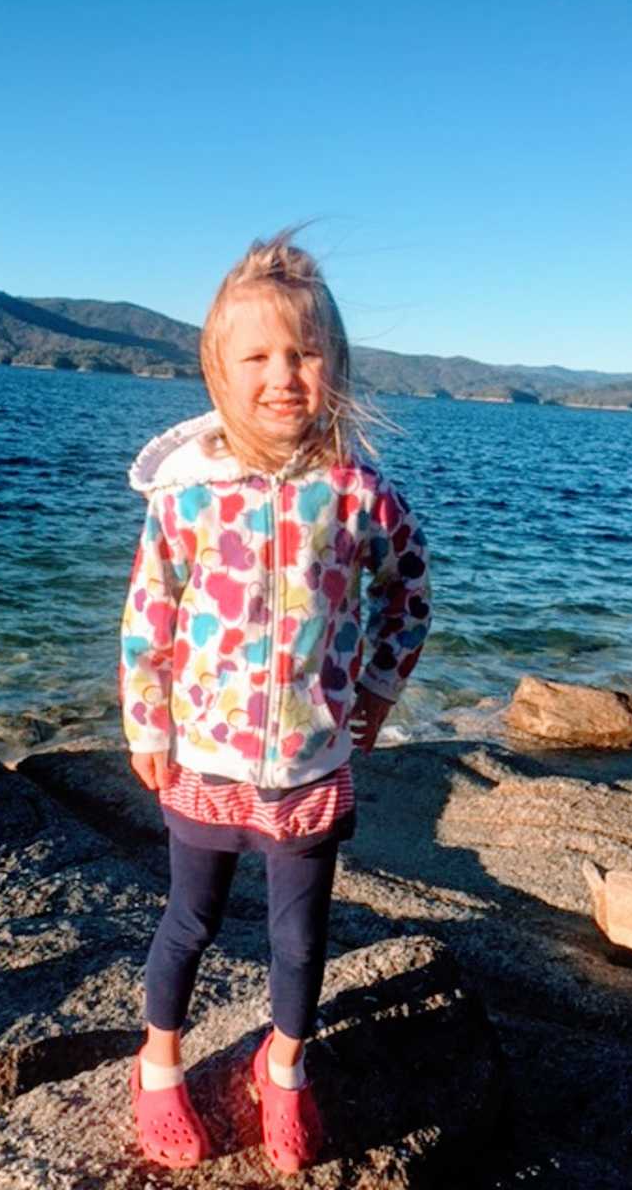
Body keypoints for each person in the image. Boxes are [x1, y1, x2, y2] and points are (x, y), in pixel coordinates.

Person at [119, 231, 431, 1172]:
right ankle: (158, 1062)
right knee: (191, 921)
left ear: (334, 363)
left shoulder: (357, 494)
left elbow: (409, 591)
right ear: (219, 368)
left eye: (304, 352)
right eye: (257, 355)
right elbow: (148, 613)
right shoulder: (185, 497)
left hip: (309, 765)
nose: (283, 374)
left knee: (301, 940)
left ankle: (285, 1065)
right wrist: (149, 719)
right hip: (205, 759)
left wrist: (378, 685)